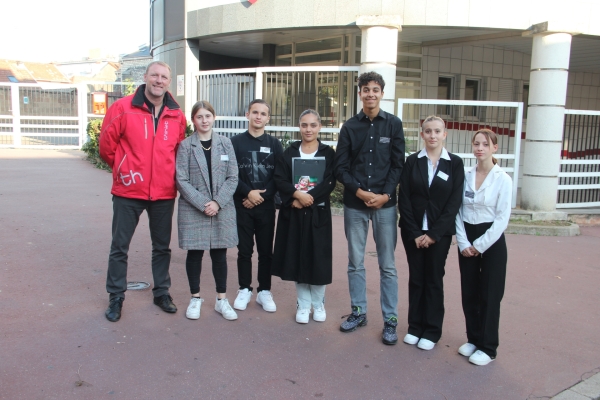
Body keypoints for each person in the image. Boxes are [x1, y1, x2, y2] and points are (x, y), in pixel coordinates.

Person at [99, 61, 187, 322]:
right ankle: (116, 296)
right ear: (146, 77)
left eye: (164, 77)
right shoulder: (122, 108)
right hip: (129, 191)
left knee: (162, 248)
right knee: (119, 247)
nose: (159, 81)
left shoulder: (177, 114)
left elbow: (178, 152)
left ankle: (161, 292)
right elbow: (107, 147)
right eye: (155, 75)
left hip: (163, 193)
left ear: (168, 82)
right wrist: (125, 170)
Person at [334, 71, 405, 345]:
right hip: (356, 204)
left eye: (375, 89)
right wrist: (361, 192)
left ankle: (390, 320)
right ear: (360, 93)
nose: (371, 94)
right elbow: (341, 167)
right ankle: (359, 312)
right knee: (355, 263)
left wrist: (386, 195)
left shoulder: (394, 125)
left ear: (382, 93)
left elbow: (398, 165)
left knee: (387, 265)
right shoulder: (350, 127)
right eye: (366, 89)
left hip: (386, 206)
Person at [398, 116, 465, 351]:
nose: (433, 135)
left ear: (445, 134)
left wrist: (435, 234)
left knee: (434, 280)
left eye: (437, 131)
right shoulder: (412, 162)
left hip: (440, 234)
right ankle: (415, 327)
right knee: (416, 278)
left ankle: (432, 331)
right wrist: (415, 232)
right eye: (428, 131)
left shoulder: (454, 164)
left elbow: (454, 202)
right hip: (413, 232)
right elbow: (404, 198)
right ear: (422, 134)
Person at [175, 101, 239, 321]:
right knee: (194, 253)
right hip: (194, 208)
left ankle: (222, 299)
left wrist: (217, 202)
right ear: (193, 119)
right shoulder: (185, 146)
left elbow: (233, 176)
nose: (204, 120)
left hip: (221, 207)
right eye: (199, 117)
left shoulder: (225, 143)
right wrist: (204, 203)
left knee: (220, 254)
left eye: (208, 116)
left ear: (214, 117)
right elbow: (181, 179)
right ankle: (196, 298)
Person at [272, 109, 336, 324]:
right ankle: (303, 303)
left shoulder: (328, 153)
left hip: (318, 214)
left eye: (313, 125)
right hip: (295, 213)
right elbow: (279, 179)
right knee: (297, 257)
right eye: (304, 125)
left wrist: (309, 197)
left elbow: (330, 181)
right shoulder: (289, 152)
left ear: (319, 127)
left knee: (318, 259)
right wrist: (296, 196)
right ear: (299, 127)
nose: (308, 129)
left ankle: (318, 304)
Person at [455, 128, 512, 366]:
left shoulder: (503, 179)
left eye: (485, 144)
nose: (480, 148)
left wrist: (479, 245)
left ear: (494, 148)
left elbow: (502, 218)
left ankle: (488, 347)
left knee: (490, 294)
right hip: (467, 237)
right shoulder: (466, 175)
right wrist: (463, 242)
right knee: (469, 292)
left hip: (491, 240)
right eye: (476, 144)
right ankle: (473, 339)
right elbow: (457, 210)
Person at [230, 99, 284, 313]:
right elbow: (231, 174)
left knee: (265, 252)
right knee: (244, 251)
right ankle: (244, 288)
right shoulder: (235, 142)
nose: (258, 116)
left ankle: (264, 291)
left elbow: (279, 175)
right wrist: (247, 193)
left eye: (263, 113)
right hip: (241, 205)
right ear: (247, 114)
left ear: (268, 118)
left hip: (266, 207)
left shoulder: (274, 144)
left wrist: (260, 196)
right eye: (255, 112)